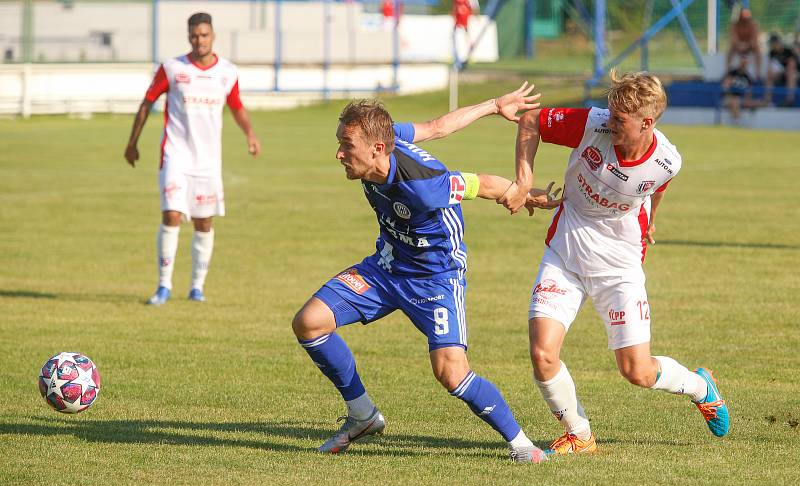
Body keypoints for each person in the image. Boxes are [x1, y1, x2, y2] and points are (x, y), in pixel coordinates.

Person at [292, 85, 561, 463]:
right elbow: (436, 126)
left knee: (451, 374)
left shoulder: (421, 186)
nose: (339, 153)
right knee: (310, 322)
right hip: (386, 267)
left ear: (377, 149)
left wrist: (523, 193)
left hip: (435, 278)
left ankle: (522, 445)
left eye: (346, 145)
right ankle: (362, 415)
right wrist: (493, 104)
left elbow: (480, 184)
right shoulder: (385, 136)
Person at [499, 71, 730, 456]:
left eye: (620, 119)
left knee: (636, 372)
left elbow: (657, 185)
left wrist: (652, 219)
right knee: (542, 354)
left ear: (647, 122)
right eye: (610, 112)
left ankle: (700, 387)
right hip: (566, 251)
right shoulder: (592, 124)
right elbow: (531, 120)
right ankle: (580, 434)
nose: (610, 122)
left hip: (619, 265)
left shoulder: (667, 161)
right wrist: (524, 181)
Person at [124, 12, 261, 305]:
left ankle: (197, 287)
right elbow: (147, 103)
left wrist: (250, 134)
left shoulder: (227, 71)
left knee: (203, 222)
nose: (199, 40)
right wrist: (132, 142)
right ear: (189, 36)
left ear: (213, 36)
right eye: (194, 35)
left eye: (204, 35)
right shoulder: (172, 68)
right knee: (172, 214)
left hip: (208, 161)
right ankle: (163, 286)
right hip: (176, 154)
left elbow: (236, 105)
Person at [725, 8, 762, 80]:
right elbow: (733, 38)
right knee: (730, 49)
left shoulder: (753, 25)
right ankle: (728, 70)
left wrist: (747, 45)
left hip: (750, 46)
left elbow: (755, 38)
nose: (745, 18)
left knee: (758, 49)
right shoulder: (735, 25)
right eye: (743, 16)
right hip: (738, 46)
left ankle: (758, 72)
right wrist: (739, 44)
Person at [765, 33, 798, 106]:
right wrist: (772, 73)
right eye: (771, 44)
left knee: (790, 74)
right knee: (769, 77)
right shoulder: (772, 53)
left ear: (779, 43)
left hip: (794, 73)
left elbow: (791, 66)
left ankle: (790, 100)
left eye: (774, 43)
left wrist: (780, 72)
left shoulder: (788, 51)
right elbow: (770, 67)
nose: (773, 45)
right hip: (781, 74)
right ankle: (767, 100)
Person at [721, 56, 755, 122]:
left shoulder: (747, 77)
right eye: (742, 63)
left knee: (738, 101)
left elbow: (749, 91)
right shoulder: (732, 73)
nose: (743, 65)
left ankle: (738, 120)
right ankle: (737, 121)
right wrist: (729, 94)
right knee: (735, 101)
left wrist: (747, 99)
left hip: (741, 99)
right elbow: (725, 86)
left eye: (745, 64)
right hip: (728, 98)